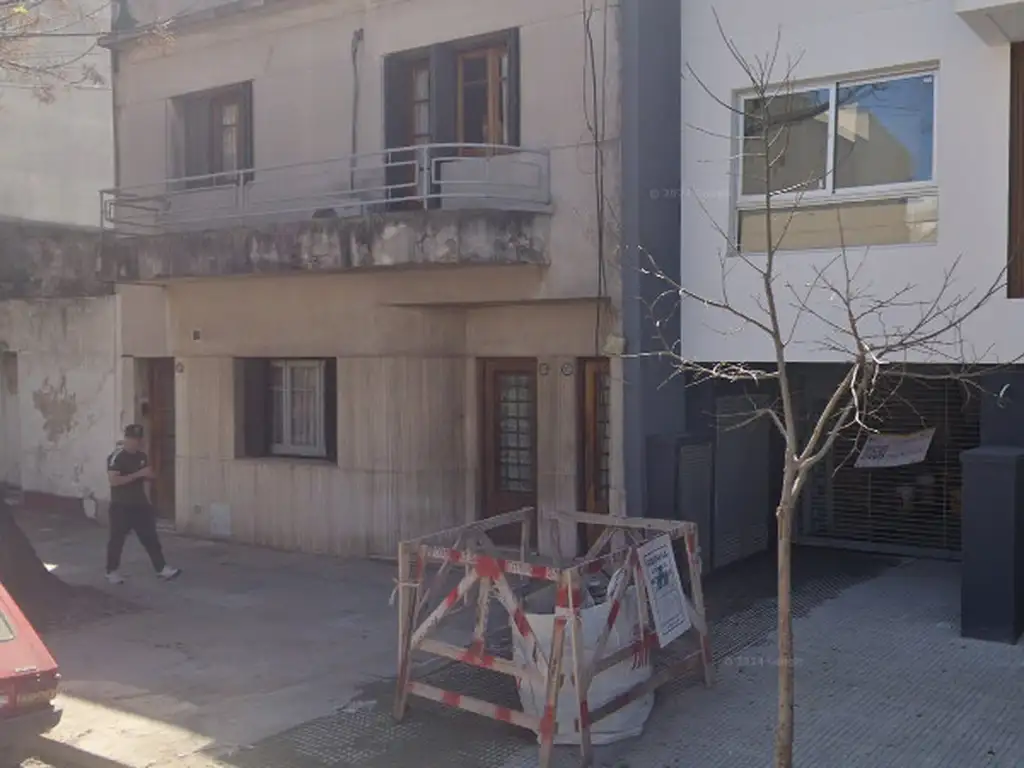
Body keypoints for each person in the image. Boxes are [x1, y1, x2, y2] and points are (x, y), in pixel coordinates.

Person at [105, 424, 181, 584]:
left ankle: (161, 568)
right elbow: (114, 480)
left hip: (140, 504)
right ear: (126, 439)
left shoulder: (142, 456)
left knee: (150, 538)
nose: (136, 443)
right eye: (133, 439)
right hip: (121, 505)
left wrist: (148, 501)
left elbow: (146, 480)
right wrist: (138, 474)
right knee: (117, 540)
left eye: (138, 439)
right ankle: (112, 571)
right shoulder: (117, 457)